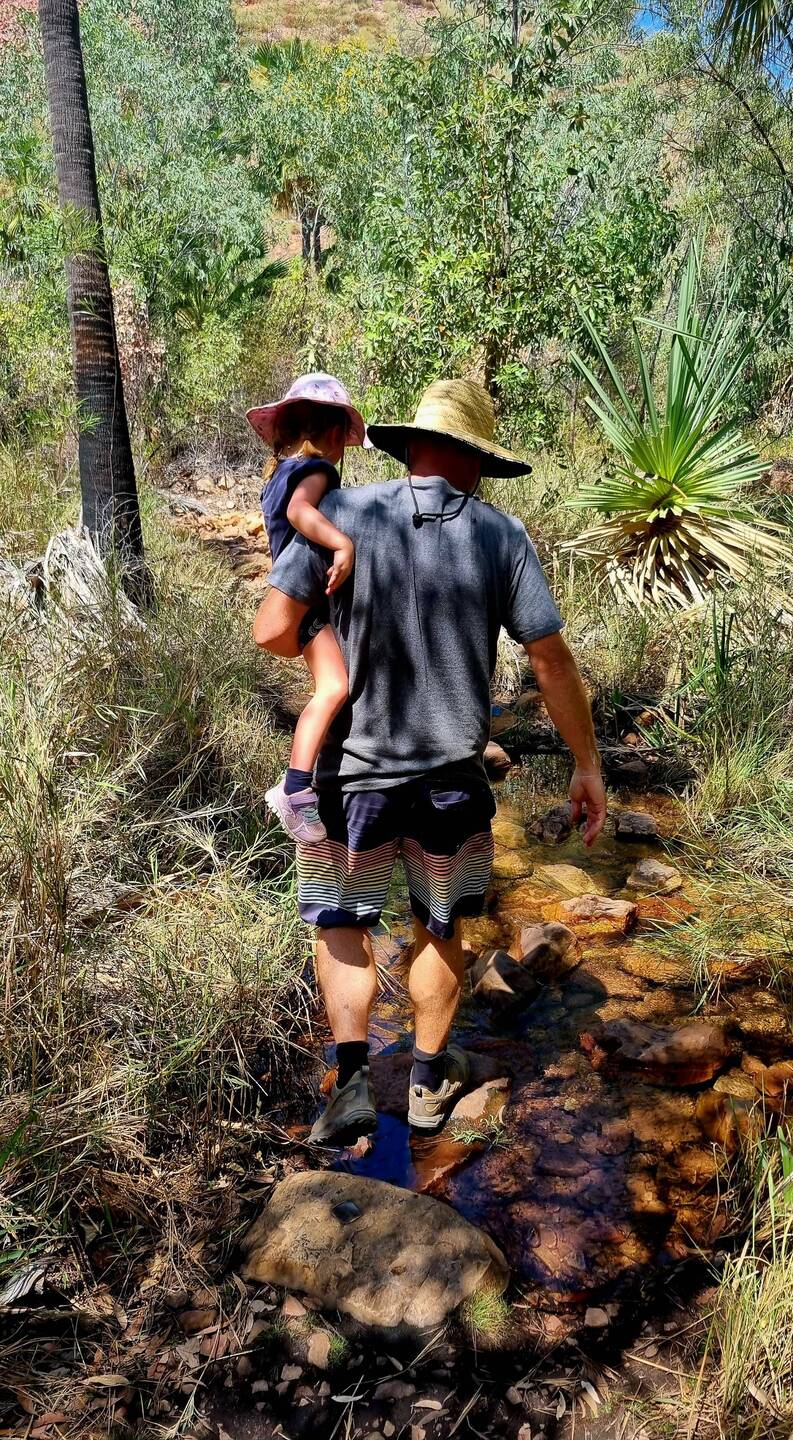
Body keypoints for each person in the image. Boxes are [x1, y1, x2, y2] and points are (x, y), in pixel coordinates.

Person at [253, 378, 606, 1144]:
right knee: (438, 926)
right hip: (451, 780)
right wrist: (587, 764)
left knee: (342, 923)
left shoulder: (341, 514)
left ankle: (350, 1087)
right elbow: (548, 659)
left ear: (410, 446)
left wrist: (329, 654)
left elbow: (272, 629)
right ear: (475, 460)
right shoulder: (501, 535)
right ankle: (424, 1082)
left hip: (350, 777)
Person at [246, 373, 368, 844]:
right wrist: (342, 543)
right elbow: (301, 512)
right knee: (335, 687)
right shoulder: (317, 471)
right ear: (335, 432)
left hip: (297, 600)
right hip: (308, 604)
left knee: (331, 685)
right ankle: (295, 789)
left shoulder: (276, 474)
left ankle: (305, 782)